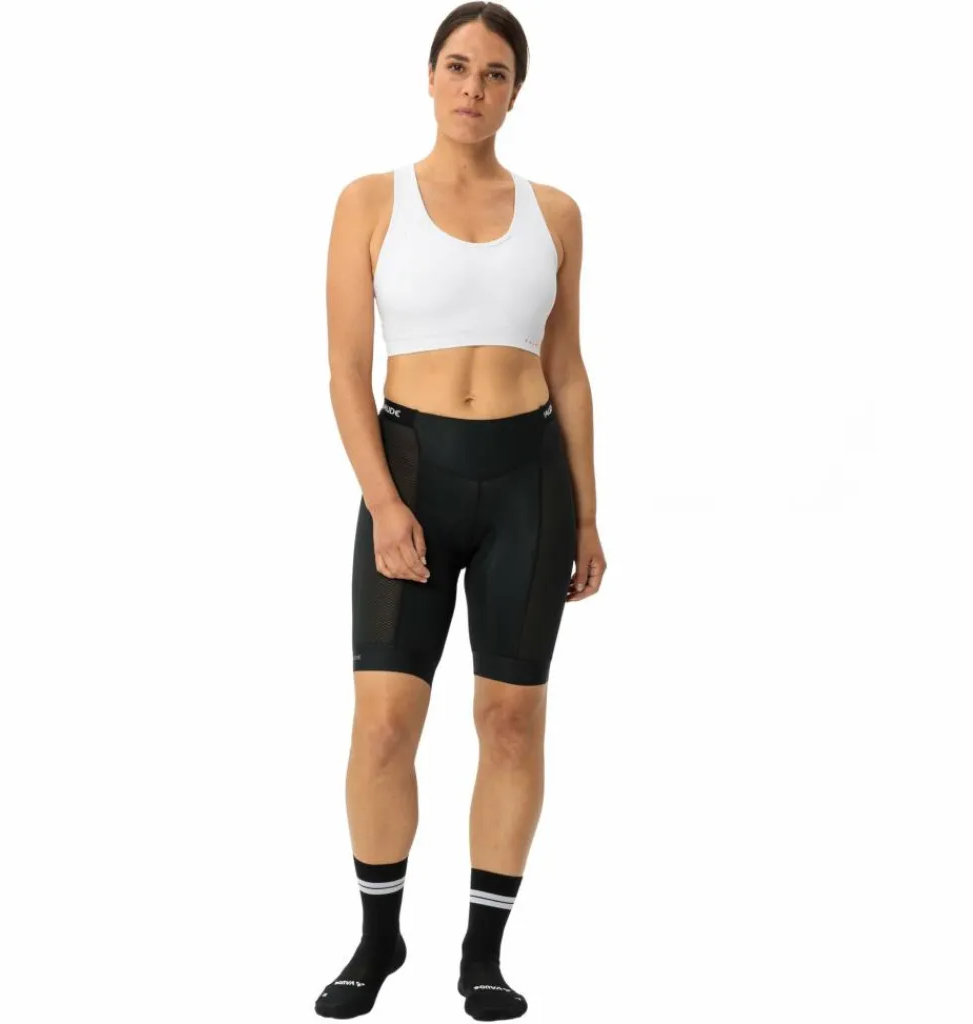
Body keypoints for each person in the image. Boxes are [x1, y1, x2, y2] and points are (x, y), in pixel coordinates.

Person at [316, 3, 606, 1019]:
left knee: (511, 722)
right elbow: (345, 370)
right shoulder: (369, 201)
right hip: (412, 474)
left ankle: (482, 954)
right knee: (384, 726)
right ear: (430, 77)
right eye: (457, 66)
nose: (473, 88)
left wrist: (587, 517)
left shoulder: (555, 212)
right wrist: (383, 500)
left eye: (494, 73)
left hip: (529, 480)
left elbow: (568, 370)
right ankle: (378, 937)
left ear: (516, 92)